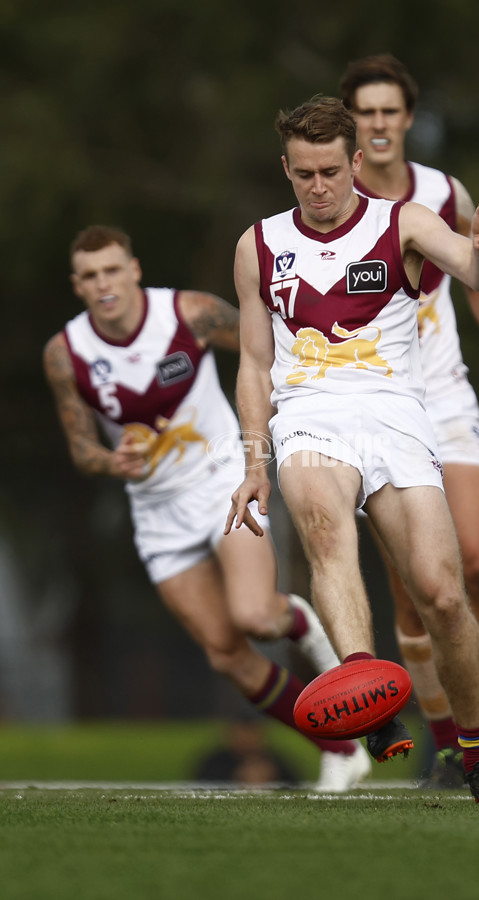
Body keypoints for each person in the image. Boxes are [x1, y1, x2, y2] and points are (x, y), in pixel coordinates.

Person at [225, 95, 479, 807]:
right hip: (308, 417)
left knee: (443, 595)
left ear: (356, 161)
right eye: (303, 173)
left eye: (330, 170)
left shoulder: (404, 222)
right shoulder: (258, 245)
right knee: (326, 537)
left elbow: (474, 272)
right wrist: (252, 461)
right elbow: (252, 363)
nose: (318, 186)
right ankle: (364, 688)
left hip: (396, 414)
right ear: (286, 169)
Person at [42, 224, 372, 793]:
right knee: (226, 656)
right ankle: (340, 748)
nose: (105, 283)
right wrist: (108, 460)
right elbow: (80, 448)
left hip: (223, 481)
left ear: (135, 269)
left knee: (254, 618)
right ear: (78, 285)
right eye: (91, 275)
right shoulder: (65, 353)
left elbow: (265, 343)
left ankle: (292, 617)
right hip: (156, 514)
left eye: (113, 269)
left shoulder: (190, 314)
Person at [339, 54, 479, 790]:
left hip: (445, 394)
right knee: (415, 591)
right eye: (363, 112)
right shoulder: (330, 204)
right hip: (376, 404)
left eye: (387, 110)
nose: (376, 124)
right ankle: (448, 748)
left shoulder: (441, 191)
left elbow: (476, 266)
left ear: (407, 117)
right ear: (350, 123)